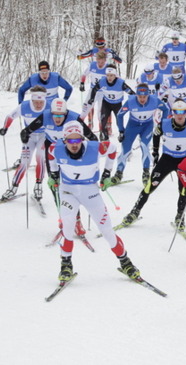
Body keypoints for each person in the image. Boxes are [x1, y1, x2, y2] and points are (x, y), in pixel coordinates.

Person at [47, 120, 141, 282]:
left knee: (106, 229)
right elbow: (50, 154)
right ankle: (66, 265)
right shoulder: (56, 148)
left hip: (90, 191)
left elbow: (112, 149)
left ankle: (125, 262)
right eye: (70, 140)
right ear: (65, 140)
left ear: (83, 138)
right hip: (68, 191)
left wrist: (106, 173)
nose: (74, 144)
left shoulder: (95, 147)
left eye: (78, 139)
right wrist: (53, 174)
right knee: (68, 225)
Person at [117, 100, 186, 229]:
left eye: (182, 112)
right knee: (150, 186)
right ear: (173, 113)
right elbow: (156, 134)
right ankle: (134, 212)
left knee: (183, 189)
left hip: (185, 161)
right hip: (167, 159)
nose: (179, 115)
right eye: (176, 112)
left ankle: (180, 217)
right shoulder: (164, 124)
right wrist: (155, 152)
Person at [113, 83, 170, 186]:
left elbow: (166, 109)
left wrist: (162, 124)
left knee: (144, 146)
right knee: (125, 149)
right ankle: (119, 173)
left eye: (144, 96)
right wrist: (121, 130)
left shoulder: (154, 100)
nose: (142, 99)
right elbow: (119, 115)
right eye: (140, 96)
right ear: (136, 95)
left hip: (147, 126)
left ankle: (146, 172)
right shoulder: (130, 102)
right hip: (132, 126)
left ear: (148, 95)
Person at [0, 86, 48, 200]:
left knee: (40, 158)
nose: (39, 105)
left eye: (41, 102)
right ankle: (13, 187)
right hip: (29, 136)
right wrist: (5, 128)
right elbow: (10, 116)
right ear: (32, 100)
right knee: (25, 162)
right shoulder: (24, 106)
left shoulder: (49, 106)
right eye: (36, 102)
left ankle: (38, 186)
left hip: (44, 136)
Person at [83, 64, 135, 140]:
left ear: (115, 75)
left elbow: (131, 93)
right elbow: (94, 89)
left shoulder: (120, 83)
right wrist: (92, 98)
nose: (109, 78)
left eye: (111, 75)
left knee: (119, 120)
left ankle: (121, 133)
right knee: (103, 120)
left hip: (117, 104)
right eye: (108, 75)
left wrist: (135, 102)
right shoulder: (102, 81)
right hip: (106, 103)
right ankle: (104, 136)